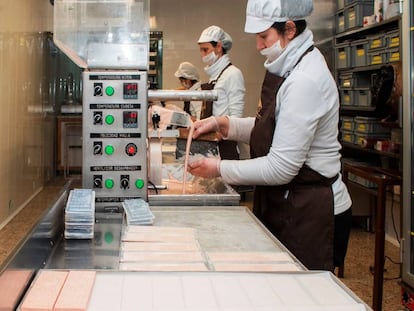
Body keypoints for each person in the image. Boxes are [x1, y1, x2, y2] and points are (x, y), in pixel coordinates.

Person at [188, 0, 352, 272]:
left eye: (264, 37)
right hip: (291, 202)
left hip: (312, 211)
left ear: (289, 29)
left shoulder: (304, 79)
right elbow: (274, 127)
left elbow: (281, 167)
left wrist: (218, 168)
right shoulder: (288, 66)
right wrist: (224, 123)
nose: (259, 45)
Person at [197, 25, 246, 160]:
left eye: (205, 50)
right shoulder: (215, 76)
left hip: (225, 145)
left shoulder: (233, 74)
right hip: (211, 143)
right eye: (201, 50)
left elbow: (236, 116)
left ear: (218, 47)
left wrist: (219, 135)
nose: (202, 54)